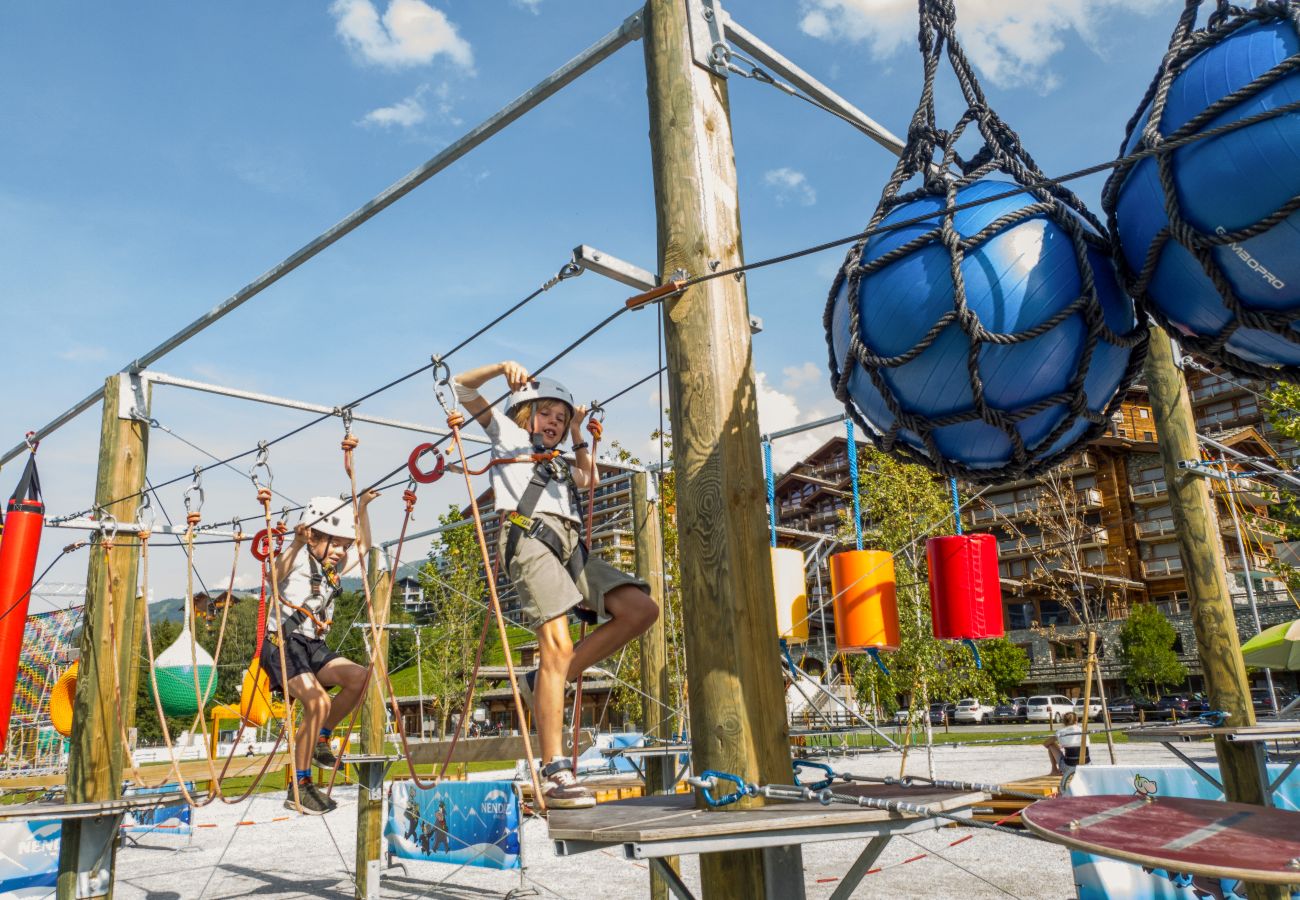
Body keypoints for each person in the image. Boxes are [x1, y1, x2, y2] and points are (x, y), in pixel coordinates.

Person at [451, 361, 659, 809]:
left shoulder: (563, 461)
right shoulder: (507, 436)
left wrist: (581, 432)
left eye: (561, 419)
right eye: (546, 414)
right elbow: (461, 387)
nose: (555, 424)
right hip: (527, 537)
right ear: (525, 414)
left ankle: (545, 680)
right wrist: (499, 368)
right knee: (557, 646)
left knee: (641, 610)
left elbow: (591, 478)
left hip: (569, 546)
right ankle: (553, 768)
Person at [263, 492, 378, 815]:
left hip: (312, 646)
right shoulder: (299, 556)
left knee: (360, 678)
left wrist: (362, 509)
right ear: (314, 537)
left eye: (343, 544)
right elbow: (273, 576)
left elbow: (363, 547)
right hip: (283, 644)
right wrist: (297, 543)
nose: (341, 552)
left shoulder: (332, 566)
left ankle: (322, 736)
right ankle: (299, 786)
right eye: (336, 544)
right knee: (318, 701)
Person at [1044, 711, 1084, 775]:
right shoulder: (1083, 731)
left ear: (1064, 722)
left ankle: (1054, 770)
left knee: (1051, 745)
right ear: (1076, 720)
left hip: (1069, 767)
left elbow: (1046, 744)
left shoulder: (1061, 732)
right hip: (1085, 765)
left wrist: (1059, 745)